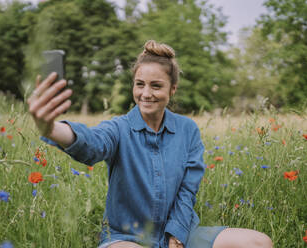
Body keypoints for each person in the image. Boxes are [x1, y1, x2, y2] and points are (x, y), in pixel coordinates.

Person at [27, 40, 273, 248]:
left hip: (182, 232)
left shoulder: (188, 130)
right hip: (127, 237)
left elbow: (188, 189)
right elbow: (92, 144)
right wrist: (50, 127)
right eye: (140, 84)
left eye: (156, 86)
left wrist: (177, 232)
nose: (146, 93)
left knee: (259, 242)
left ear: (172, 89)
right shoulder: (119, 128)